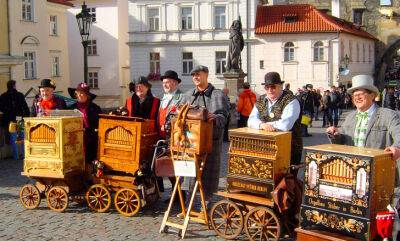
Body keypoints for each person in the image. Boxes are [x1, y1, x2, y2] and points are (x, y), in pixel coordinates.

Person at [182, 65, 229, 207]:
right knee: (189, 174)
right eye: (193, 75)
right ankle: (188, 205)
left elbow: (223, 118)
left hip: (210, 143)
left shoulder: (217, 94)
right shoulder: (188, 95)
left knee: (208, 175)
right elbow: (180, 116)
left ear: (206, 75)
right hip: (190, 142)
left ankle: (205, 204)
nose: (196, 77)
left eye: (198, 74)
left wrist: (213, 117)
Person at [326, 74, 400, 161]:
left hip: (379, 167)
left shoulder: (388, 115)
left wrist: (397, 147)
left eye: (361, 94)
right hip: (353, 167)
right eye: (354, 95)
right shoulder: (350, 117)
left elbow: (398, 133)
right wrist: (335, 135)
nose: (357, 98)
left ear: (372, 95)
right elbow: (341, 141)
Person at [248, 72, 303, 167]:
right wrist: (262, 125)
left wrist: (265, 125)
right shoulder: (261, 100)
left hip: (289, 148)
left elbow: (285, 125)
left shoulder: (291, 101)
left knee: (286, 180)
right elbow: (251, 120)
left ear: (280, 86)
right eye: (267, 87)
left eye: (273, 87)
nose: (270, 90)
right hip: (265, 148)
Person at [157, 70, 184, 196]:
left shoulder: (182, 97)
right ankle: (175, 194)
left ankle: (180, 195)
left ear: (175, 83)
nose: (165, 85)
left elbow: (182, 118)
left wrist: (168, 126)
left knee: (175, 168)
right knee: (166, 167)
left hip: (174, 138)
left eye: (167, 82)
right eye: (164, 83)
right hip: (162, 138)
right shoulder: (163, 97)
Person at [68, 83, 102, 165]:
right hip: (75, 140)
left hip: (91, 140)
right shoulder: (71, 109)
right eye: (78, 93)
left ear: (87, 95)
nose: (80, 95)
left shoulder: (95, 108)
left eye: (82, 93)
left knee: (90, 163)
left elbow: (100, 124)